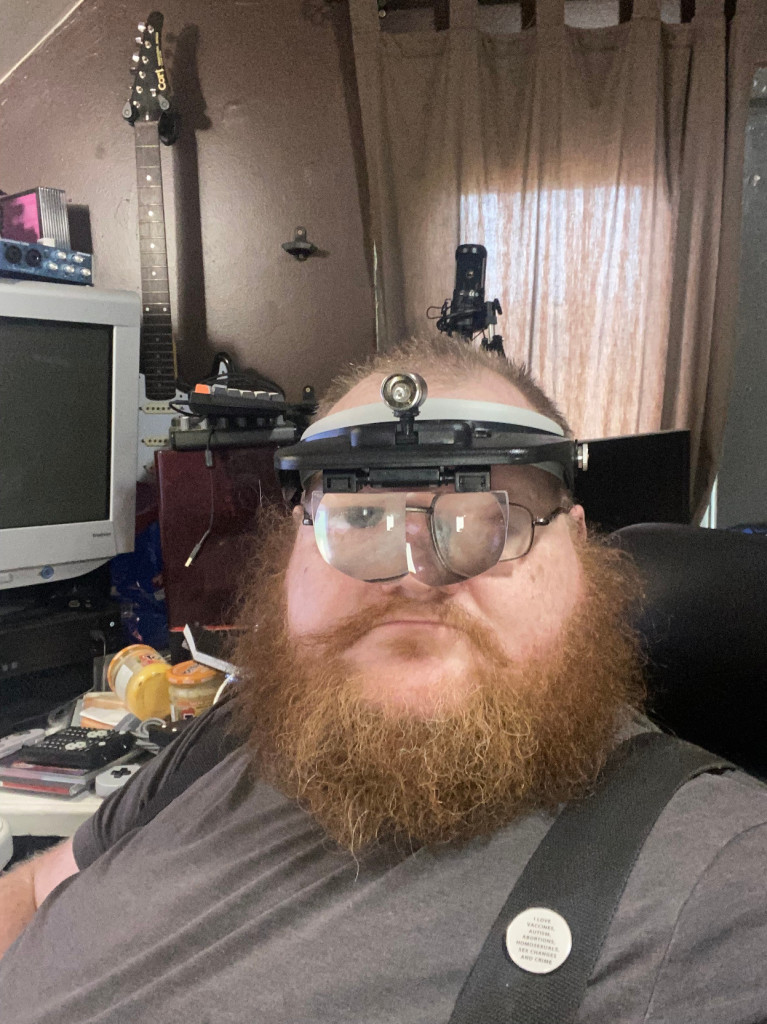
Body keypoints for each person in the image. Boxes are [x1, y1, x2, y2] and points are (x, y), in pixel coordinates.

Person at [1, 335, 767, 1024]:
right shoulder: (229, 735)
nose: (413, 574)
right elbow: (37, 890)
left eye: (482, 518)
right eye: (359, 518)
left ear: (579, 556)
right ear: (289, 552)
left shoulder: (718, 885)